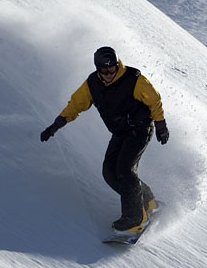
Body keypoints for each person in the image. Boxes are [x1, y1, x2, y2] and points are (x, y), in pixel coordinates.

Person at [40, 46, 169, 234]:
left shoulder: (134, 79)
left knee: (124, 169)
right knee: (110, 173)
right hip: (120, 132)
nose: (109, 74)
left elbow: (154, 100)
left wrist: (161, 125)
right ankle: (148, 202)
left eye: (112, 69)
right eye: (104, 71)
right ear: (98, 70)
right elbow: (76, 104)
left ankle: (135, 219)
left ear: (117, 65)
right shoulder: (92, 84)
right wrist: (56, 125)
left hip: (140, 129)